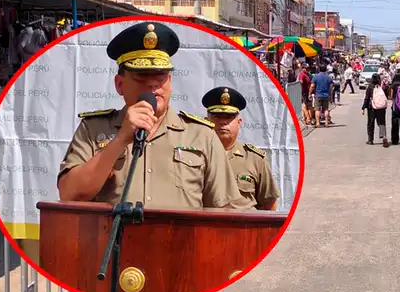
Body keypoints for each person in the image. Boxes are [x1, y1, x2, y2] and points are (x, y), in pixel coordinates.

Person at [57, 21, 252, 210]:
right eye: (142, 76)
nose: (153, 85)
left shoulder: (202, 135)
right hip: (112, 241)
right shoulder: (93, 129)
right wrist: (120, 140)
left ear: (170, 81)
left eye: (160, 76)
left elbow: (224, 209)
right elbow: (70, 194)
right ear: (119, 85)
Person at [202, 86, 281, 211]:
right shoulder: (197, 156)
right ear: (206, 121)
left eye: (229, 117)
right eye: (217, 117)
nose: (223, 122)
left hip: (245, 228)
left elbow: (269, 204)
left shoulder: (255, 159)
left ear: (239, 122)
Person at [362, 74, 390, 147]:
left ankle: (370, 140)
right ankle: (384, 137)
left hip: (371, 108)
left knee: (371, 123)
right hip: (381, 108)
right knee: (382, 123)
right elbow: (386, 96)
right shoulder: (382, 87)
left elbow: (367, 98)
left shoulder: (370, 87)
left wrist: (363, 107)